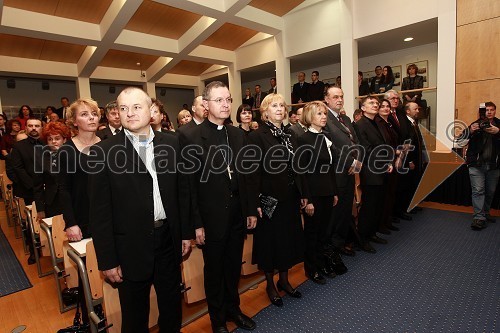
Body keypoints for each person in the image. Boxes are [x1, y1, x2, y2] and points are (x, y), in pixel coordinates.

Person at [89, 87, 190, 332]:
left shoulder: (172, 143)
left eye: (136, 107)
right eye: (123, 108)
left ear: (151, 111)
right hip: (129, 247)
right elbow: (99, 213)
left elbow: (182, 193)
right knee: (134, 317)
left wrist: (185, 233)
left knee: (171, 307)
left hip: (168, 240)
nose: (129, 113)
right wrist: (107, 260)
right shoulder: (102, 152)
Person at [178, 81, 257, 333]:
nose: (225, 105)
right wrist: (196, 224)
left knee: (234, 266)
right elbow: (188, 185)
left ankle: (234, 309)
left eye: (228, 100)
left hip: (237, 212)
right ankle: (218, 320)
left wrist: (250, 209)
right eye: (219, 100)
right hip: (210, 217)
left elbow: (245, 175)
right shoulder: (189, 136)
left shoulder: (236, 134)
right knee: (214, 271)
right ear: (205, 104)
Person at [247, 93, 307, 307]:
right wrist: (255, 203)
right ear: (265, 111)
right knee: (270, 244)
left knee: (288, 240)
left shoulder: (290, 135)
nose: (280, 109)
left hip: (290, 197)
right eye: (274, 106)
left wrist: (302, 193)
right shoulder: (257, 136)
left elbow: (298, 167)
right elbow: (251, 173)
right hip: (269, 200)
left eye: (282, 105)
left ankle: (284, 280)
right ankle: (270, 285)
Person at [58, 98, 101, 327]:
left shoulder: (108, 145)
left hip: (108, 218)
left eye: (94, 113)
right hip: (82, 221)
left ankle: (109, 316)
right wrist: (70, 222)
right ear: (74, 121)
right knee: (89, 275)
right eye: (85, 114)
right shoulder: (67, 150)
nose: (91, 117)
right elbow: (64, 190)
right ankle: (90, 322)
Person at [297, 101, 341, 284]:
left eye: (325, 113)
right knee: (312, 234)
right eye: (319, 114)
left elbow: (330, 168)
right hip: (313, 196)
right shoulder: (303, 140)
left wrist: (335, 192)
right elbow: (302, 172)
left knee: (324, 232)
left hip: (328, 193)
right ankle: (311, 269)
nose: (324, 117)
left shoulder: (325, 137)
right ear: (309, 117)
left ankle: (322, 264)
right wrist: (308, 200)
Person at [323, 86, 362, 257]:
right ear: (327, 99)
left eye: (341, 96)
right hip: (337, 173)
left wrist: (358, 162)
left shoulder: (345, 118)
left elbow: (356, 141)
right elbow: (331, 147)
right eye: (335, 97)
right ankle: (332, 247)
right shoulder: (324, 119)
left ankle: (340, 242)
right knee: (335, 213)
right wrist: (350, 162)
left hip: (351, 172)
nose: (339, 100)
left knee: (346, 210)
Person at [355, 96, 394, 253]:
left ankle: (372, 234)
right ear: (363, 108)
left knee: (377, 205)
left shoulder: (377, 122)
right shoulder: (359, 124)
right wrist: (384, 163)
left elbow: (385, 145)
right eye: (371, 103)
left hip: (382, 170)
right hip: (371, 171)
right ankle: (362, 239)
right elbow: (366, 149)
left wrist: (388, 162)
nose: (376, 105)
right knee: (368, 208)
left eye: (377, 103)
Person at [10, 118, 43, 264]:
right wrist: (33, 186)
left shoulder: (47, 143)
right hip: (29, 190)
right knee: (31, 222)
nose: (34, 128)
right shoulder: (18, 146)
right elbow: (18, 169)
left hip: (47, 190)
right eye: (30, 126)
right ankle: (34, 251)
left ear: (42, 128)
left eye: (37, 126)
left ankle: (50, 247)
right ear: (26, 128)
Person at [466, 102, 500, 230]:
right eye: (487, 110)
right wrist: (470, 130)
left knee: (490, 192)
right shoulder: (475, 124)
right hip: (476, 165)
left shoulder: (499, 125)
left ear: (495, 111)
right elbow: (460, 139)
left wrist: (498, 132)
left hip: (494, 166)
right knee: (478, 191)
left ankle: (485, 213)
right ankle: (479, 218)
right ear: (483, 112)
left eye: (492, 110)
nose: (489, 112)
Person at [34, 121, 71, 221]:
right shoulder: (41, 158)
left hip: (72, 200)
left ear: (64, 140)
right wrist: (40, 209)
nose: (54, 142)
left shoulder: (72, 156)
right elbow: (38, 186)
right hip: (53, 202)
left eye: (57, 138)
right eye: (50, 139)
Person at [375, 99, 400, 234]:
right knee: (384, 196)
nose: (385, 108)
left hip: (394, 161)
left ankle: (387, 221)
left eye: (387, 106)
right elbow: (383, 145)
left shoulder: (389, 123)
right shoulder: (378, 123)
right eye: (382, 106)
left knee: (391, 193)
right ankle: (381, 224)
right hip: (385, 162)